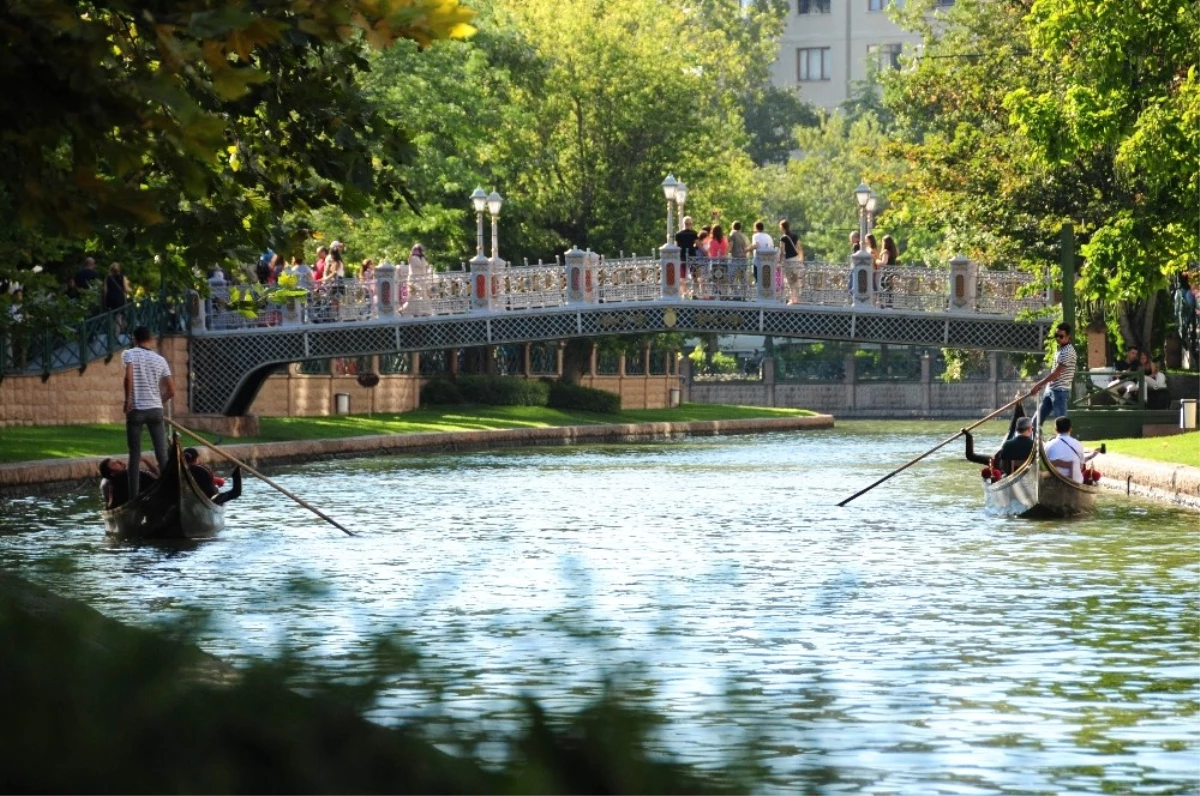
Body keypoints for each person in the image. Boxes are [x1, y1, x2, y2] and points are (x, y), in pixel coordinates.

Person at [122, 325, 176, 499]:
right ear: (150, 339)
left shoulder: (129, 354)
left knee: (134, 454)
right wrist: (158, 401)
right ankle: (171, 493)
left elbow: (128, 377)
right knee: (162, 454)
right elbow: (171, 391)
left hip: (136, 409)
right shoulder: (160, 360)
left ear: (134, 338)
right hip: (155, 410)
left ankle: (133, 498)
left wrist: (127, 400)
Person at [1030, 322, 1077, 425]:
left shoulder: (1068, 352)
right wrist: (1045, 385)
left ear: (1068, 337)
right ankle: (1035, 441)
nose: (1058, 338)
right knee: (1035, 422)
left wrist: (1039, 384)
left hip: (1060, 391)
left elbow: (1056, 373)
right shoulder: (1060, 349)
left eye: (1061, 336)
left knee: (1061, 425)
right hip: (1050, 389)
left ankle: (1064, 441)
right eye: (1056, 335)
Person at [1045, 415, 1086, 484]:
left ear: (1056, 430)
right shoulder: (1078, 444)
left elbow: (1045, 466)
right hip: (1075, 484)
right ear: (1070, 429)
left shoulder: (1048, 445)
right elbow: (1081, 467)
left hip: (1055, 484)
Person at [778, 219, 803, 304]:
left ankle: (792, 299)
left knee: (789, 280)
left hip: (788, 261)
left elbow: (782, 251)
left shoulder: (783, 238)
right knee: (795, 280)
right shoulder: (794, 236)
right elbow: (799, 247)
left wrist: (780, 261)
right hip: (795, 260)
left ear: (782, 227)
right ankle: (797, 299)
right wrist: (801, 258)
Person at [407, 244, 431, 316]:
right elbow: (422, 265)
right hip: (415, 279)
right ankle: (415, 312)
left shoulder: (419, 258)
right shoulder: (414, 258)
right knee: (416, 295)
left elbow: (425, 267)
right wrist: (423, 257)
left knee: (422, 295)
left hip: (420, 278)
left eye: (418, 250)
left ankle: (423, 311)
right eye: (415, 249)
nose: (416, 251)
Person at [728, 221, 750, 294]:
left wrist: (726, 253)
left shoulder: (732, 235)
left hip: (735, 259)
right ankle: (744, 295)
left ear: (732, 227)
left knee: (730, 278)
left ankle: (736, 293)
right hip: (744, 259)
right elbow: (747, 247)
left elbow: (730, 247)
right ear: (740, 227)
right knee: (742, 279)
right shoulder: (744, 236)